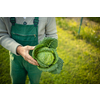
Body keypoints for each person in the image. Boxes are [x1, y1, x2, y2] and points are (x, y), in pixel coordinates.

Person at [0, 17, 58, 84]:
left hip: (37, 61)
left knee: (34, 82)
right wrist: (19, 49)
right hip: (16, 58)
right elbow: (2, 35)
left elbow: (52, 35)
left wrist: (48, 56)